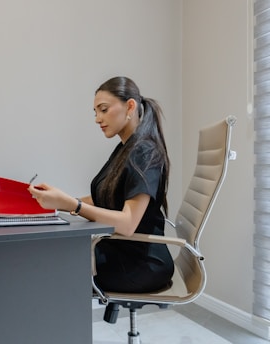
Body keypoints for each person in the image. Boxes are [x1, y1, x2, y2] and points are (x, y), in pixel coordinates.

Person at [28, 76, 174, 295]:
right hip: (122, 251)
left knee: (53, 267)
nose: (98, 119)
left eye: (103, 110)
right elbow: (106, 195)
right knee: (54, 258)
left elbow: (127, 224)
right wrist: (57, 203)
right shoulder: (125, 149)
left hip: (141, 264)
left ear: (130, 106)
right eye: (95, 112)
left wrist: (72, 205)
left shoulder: (144, 152)